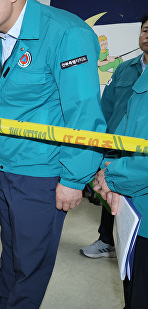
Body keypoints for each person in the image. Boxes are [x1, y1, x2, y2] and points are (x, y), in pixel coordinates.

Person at [0, 0, 106, 308]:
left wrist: (74, 179)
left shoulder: (65, 34)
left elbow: (84, 115)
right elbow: (1, 100)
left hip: (43, 175)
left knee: (31, 264)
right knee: (10, 252)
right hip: (7, 166)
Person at [80, 18, 148, 259]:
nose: (147, 35)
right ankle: (107, 240)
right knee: (112, 198)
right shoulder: (124, 69)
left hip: (140, 155)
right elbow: (107, 107)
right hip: (115, 149)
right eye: (145, 30)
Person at [93, 16, 148, 308]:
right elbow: (114, 116)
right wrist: (106, 163)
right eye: (145, 29)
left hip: (132, 177)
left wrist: (111, 175)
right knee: (132, 279)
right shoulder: (130, 70)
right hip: (120, 166)